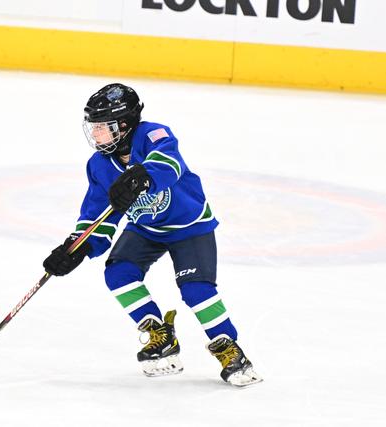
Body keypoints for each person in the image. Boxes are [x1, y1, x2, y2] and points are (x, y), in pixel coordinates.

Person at [43, 83, 261, 387]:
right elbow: (97, 214)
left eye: (102, 127)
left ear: (123, 125)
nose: (95, 134)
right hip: (145, 229)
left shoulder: (153, 134)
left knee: (195, 291)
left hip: (189, 226)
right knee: (118, 274)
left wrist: (143, 176)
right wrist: (77, 247)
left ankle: (229, 349)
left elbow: (169, 163)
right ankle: (161, 335)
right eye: (93, 128)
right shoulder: (99, 165)